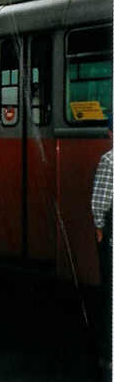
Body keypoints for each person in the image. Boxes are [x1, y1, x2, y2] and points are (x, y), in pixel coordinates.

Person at [91, 117, 112, 367]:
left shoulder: (108, 160)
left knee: (109, 295)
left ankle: (108, 354)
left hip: (112, 240)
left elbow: (101, 201)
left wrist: (98, 227)